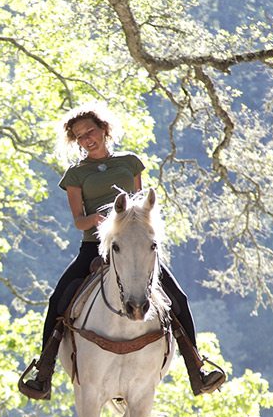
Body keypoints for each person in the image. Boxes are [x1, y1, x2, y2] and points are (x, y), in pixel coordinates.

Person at [18, 102, 225, 399]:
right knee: (58, 299)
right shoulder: (76, 174)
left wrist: (132, 223)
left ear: (104, 129)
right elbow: (79, 221)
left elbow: (141, 207)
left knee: (178, 297)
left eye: (90, 131)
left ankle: (197, 367)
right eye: (80, 136)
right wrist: (107, 219)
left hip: (133, 246)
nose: (87, 138)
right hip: (95, 248)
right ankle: (44, 370)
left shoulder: (130, 162)